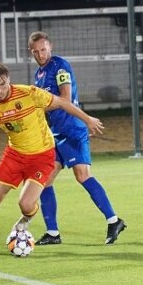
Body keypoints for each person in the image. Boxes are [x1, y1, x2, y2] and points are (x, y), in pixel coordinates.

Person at [0, 61, 105, 256]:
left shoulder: (29, 93)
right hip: (14, 156)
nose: (0, 89)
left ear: (9, 80)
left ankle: (25, 220)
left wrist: (87, 119)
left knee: (26, 204)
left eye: (3, 84)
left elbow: (63, 102)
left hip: (42, 156)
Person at [27, 31, 126, 246]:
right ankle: (53, 233)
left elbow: (65, 98)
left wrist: (87, 120)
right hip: (55, 134)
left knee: (82, 175)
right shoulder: (39, 74)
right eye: (36, 51)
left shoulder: (60, 66)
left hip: (72, 130)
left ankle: (114, 220)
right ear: (31, 52)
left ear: (50, 47)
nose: (40, 54)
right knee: (44, 180)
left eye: (43, 50)